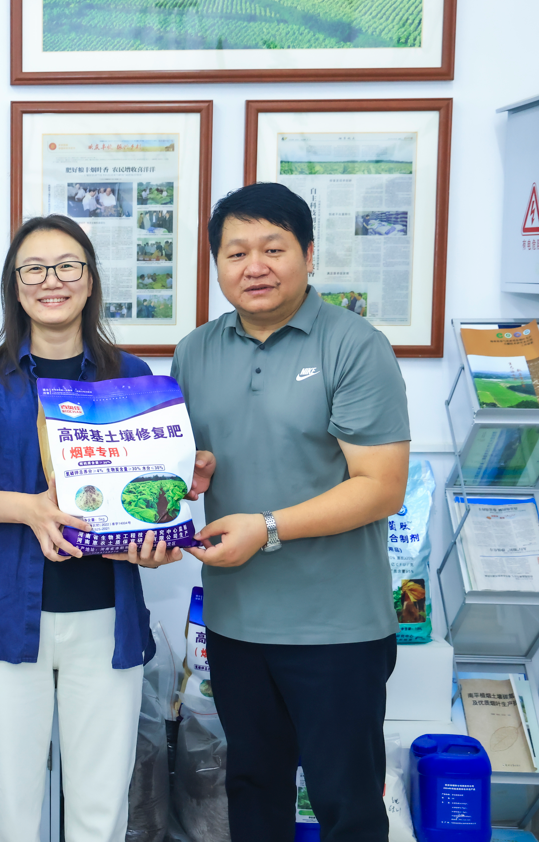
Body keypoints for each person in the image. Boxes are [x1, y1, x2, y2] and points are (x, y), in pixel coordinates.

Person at [0, 214, 210, 842]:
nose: (51, 280)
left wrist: (164, 522)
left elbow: (153, 497)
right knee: (9, 811)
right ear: (15, 285)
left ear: (90, 281)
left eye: (67, 266)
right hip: (9, 616)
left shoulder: (134, 376)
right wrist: (31, 509)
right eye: (33, 269)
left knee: (100, 813)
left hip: (106, 619)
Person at [170, 182, 409, 841]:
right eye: (236, 252)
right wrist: (186, 476)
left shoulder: (354, 345)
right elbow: (187, 463)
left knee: (347, 805)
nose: (255, 266)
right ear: (216, 263)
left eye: (273, 248)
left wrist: (268, 529)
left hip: (337, 628)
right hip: (235, 621)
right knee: (251, 793)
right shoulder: (194, 352)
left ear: (307, 254)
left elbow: (381, 486)